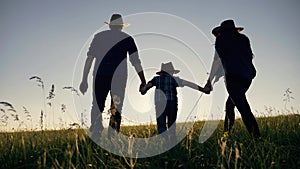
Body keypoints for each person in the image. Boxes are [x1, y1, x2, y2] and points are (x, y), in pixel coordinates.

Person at [79, 14, 146, 139]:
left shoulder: (98, 37)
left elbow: (89, 58)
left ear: (110, 25)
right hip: (119, 77)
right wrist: (143, 80)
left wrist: (84, 79)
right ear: (121, 26)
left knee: (97, 105)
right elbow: (136, 61)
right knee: (116, 106)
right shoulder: (127, 39)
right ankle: (112, 137)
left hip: (100, 75)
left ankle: (97, 133)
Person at [205, 19, 260, 139]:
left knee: (242, 106)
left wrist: (209, 81)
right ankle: (227, 132)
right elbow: (244, 58)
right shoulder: (244, 38)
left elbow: (217, 61)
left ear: (222, 31)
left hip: (233, 77)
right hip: (247, 76)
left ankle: (257, 137)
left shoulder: (221, 39)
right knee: (230, 104)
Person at [140, 62, 211, 142]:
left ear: (161, 72)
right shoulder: (174, 79)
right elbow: (189, 84)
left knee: (161, 126)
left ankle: (165, 142)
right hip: (172, 104)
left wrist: (143, 89)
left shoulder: (156, 79)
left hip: (160, 105)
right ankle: (172, 141)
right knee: (171, 127)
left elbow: (145, 88)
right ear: (171, 72)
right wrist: (203, 90)